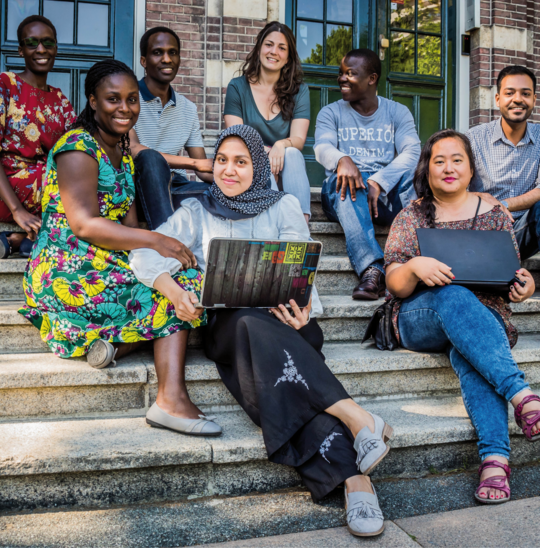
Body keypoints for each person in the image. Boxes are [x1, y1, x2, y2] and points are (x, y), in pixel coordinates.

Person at [130, 124, 394, 537]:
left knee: (270, 365)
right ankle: (358, 421)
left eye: (241, 162)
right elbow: (144, 251)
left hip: (289, 323)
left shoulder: (283, 205)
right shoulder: (197, 211)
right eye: (221, 160)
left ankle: (351, 478)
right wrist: (171, 288)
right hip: (229, 330)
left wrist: (302, 309)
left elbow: (302, 264)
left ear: (257, 168)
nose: (229, 170)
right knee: (248, 321)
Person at [19, 59, 221, 437]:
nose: (125, 108)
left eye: (131, 99)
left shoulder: (121, 148)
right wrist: (158, 239)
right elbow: (84, 224)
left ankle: (113, 346)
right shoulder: (76, 146)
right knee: (179, 290)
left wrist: (169, 245)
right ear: (93, 101)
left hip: (103, 258)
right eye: (113, 99)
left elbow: (128, 225)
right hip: (68, 268)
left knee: (184, 276)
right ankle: (170, 399)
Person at [384, 128, 540, 504]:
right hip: (418, 315)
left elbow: (509, 273)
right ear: (427, 168)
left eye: (458, 160)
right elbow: (394, 284)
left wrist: (525, 286)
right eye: (439, 160)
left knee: (467, 350)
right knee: (453, 294)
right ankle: (522, 395)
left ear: (471, 169)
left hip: (482, 318)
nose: (449, 167)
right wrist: (416, 265)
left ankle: (495, 460)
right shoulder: (412, 216)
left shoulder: (496, 213)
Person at [314, 48, 421, 300]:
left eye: (350, 73)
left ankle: (418, 258)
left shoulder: (397, 112)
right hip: (343, 195)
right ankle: (373, 268)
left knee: (418, 178)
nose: (341, 78)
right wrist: (343, 159)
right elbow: (322, 147)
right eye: (341, 73)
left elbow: (412, 150)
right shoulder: (331, 112)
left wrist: (380, 181)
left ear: (371, 79)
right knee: (347, 181)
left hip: (382, 196)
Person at [0, 15, 76, 258]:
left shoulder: (60, 99)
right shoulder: (6, 85)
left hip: (50, 188)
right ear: (21, 50)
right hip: (8, 187)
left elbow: (75, 149)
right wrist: (17, 211)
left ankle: (19, 241)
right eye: (32, 43)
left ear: (56, 49)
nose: (41, 49)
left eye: (48, 43)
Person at [224, 21, 311, 223]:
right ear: (259, 48)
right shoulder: (237, 87)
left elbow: (297, 139)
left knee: (293, 154)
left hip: (286, 170)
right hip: (248, 167)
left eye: (282, 48)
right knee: (262, 159)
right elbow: (237, 137)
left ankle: (301, 226)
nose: (274, 52)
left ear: (288, 58)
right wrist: (270, 156)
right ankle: (272, 222)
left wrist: (280, 145)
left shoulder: (299, 91)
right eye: (269, 45)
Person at [129, 27, 213, 230]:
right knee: (150, 158)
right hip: (136, 188)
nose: (167, 59)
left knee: (227, 194)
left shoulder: (188, 108)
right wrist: (194, 163)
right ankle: (166, 243)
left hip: (175, 186)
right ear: (143, 61)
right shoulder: (128, 99)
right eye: (158, 52)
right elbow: (133, 149)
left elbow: (203, 169)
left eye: (173, 53)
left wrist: (233, 174)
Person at [467, 65, 540, 261]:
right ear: (498, 99)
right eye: (510, 93)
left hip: (526, 230)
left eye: (525, 93)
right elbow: (454, 189)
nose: (518, 99)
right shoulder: (473, 139)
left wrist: (503, 204)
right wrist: (486, 201)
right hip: (483, 231)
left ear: (534, 100)